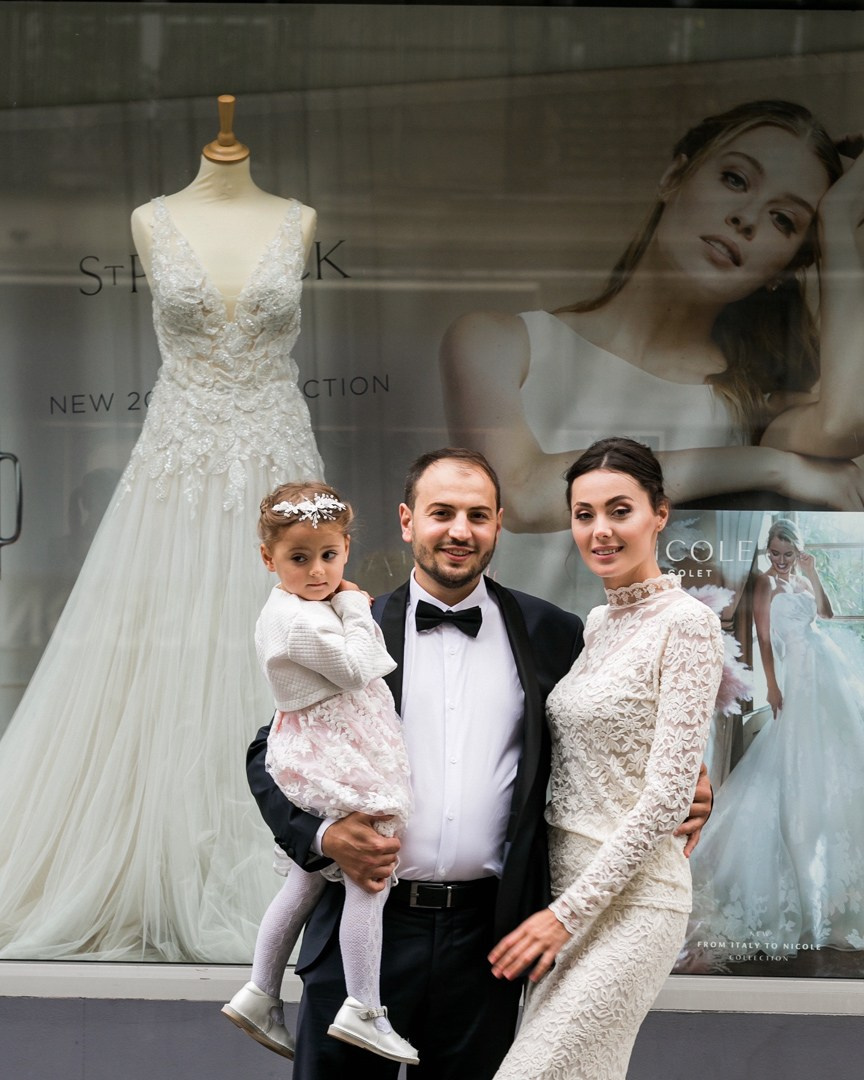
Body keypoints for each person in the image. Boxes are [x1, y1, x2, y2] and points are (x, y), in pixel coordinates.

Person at [246, 447, 713, 1080]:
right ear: (408, 521)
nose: (459, 531)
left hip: (489, 942)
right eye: (442, 513)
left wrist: (694, 777)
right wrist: (323, 836)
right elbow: (271, 749)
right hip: (365, 931)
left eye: (477, 515)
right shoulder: (348, 629)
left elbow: (615, 719)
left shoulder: (555, 632)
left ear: (499, 524)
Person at [0, 104, 323, 961]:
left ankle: (275, 856)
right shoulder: (150, 219)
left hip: (273, 459)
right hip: (177, 467)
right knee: (159, 655)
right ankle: (148, 855)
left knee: (272, 648)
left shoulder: (298, 222)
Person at [440, 100, 864, 608]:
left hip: (667, 682)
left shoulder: (755, 404)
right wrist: (773, 467)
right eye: (734, 179)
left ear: (783, 269)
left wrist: (839, 226)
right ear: (674, 176)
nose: (746, 218)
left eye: (783, 219)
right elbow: (525, 496)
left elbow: (844, 422)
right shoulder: (500, 341)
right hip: (516, 675)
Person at [489, 437, 724, 1080]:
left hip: (631, 905)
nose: (600, 531)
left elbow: (667, 796)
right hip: (561, 898)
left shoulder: (688, 623)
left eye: (619, 510)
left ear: (660, 514)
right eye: (584, 513)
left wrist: (563, 918)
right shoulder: (594, 625)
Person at [222, 481, 416, 1065]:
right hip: (334, 752)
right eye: (299, 559)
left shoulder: (302, 606)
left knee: (305, 881)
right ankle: (362, 1006)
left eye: (328, 556)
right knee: (369, 876)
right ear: (268, 558)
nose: (316, 571)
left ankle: (259, 991)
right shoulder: (302, 620)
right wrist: (357, 605)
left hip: (330, 741)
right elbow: (363, 665)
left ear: (347, 548)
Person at [685, 518, 864, 966]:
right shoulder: (765, 584)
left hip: (827, 667)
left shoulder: (802, 578)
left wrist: (814, 572)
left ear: (798, 552)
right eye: (776, 554)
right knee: (794, 751)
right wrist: (772, 686)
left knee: (837, 753)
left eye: (788, 553)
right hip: (799, 673)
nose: (781, 561)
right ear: (767, 552)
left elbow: (825, 612)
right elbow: (765, 639)